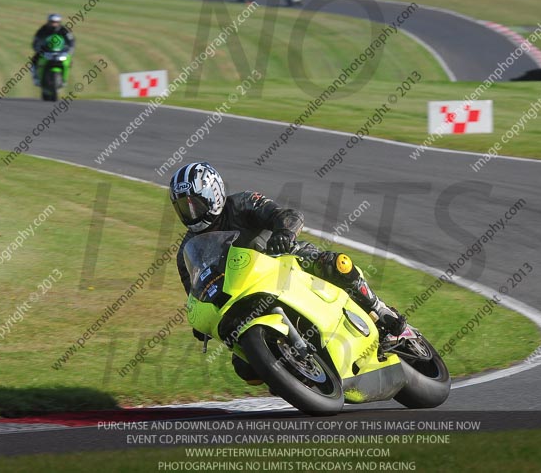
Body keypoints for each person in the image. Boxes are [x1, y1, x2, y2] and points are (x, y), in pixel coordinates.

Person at [170, 162, 407, 384]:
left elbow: (288, 215)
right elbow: (194, 293)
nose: (190, 213)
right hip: (242, 294)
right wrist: (201, 322)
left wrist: (284, 233)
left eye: (195, 204)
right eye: (183, 207)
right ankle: (291, 374)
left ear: (214, 195)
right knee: (245, 369)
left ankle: (380, 310)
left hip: (283, 260)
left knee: (336, 264)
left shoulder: (242, 202)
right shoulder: (186, 251)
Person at [30, 14, 75, 86]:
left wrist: (70, 49)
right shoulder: (43, 30)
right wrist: (37, 48)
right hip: (46, 50)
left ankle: (64, 79)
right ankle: (36, 77)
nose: (54, 24)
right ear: (48, 22)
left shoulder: (64, 30)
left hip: (60, 51)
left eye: (56, 22)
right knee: (33, 61)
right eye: (52, 22)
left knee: (69, 61)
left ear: (59, 22)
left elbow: (71, 41)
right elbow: (36, 40)